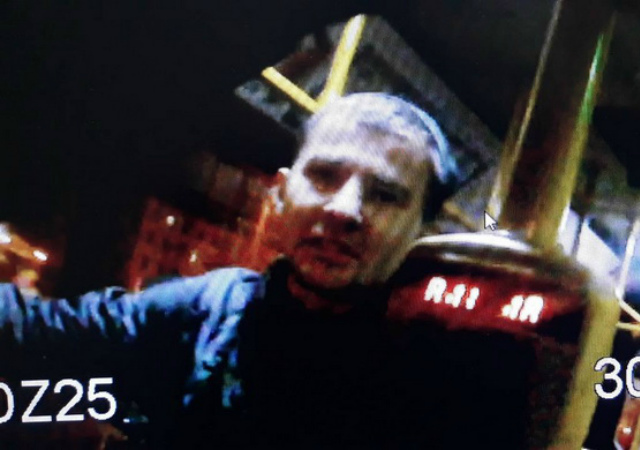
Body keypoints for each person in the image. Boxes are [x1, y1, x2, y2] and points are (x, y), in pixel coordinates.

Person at [0, 92, 459, 449]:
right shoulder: (209, 308)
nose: (343, 209)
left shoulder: (433, 378)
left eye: (384, 195)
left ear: (421, 234)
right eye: (323, 176)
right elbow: (43, 330)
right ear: (280, 195)